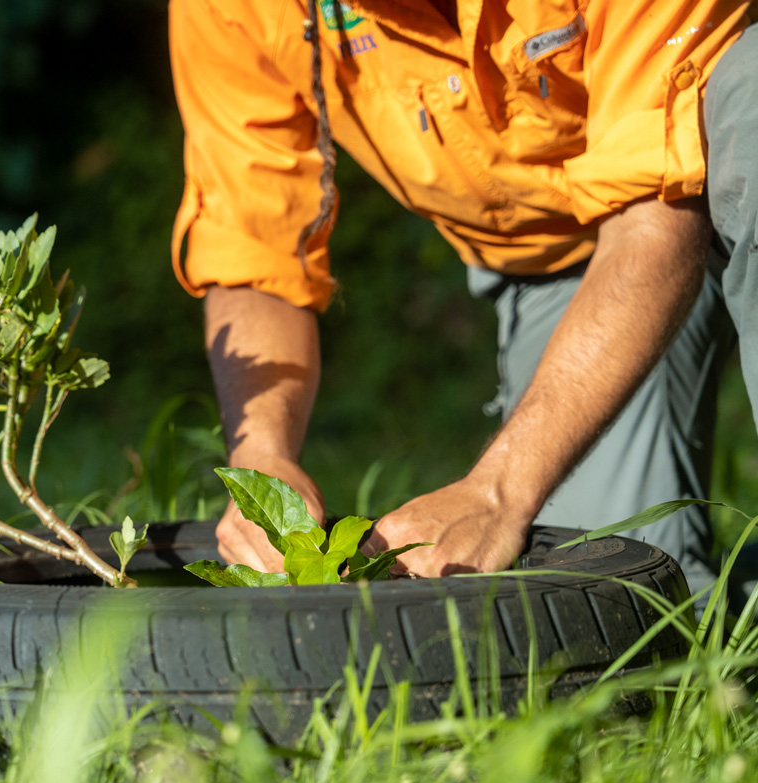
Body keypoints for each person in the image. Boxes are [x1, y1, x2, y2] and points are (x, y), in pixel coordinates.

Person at [168, 0, 757, 597]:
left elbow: (655, 220)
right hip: (567, 260)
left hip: (704, 173)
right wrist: (263, 461)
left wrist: (501, 488)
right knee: (616, 593)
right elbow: (253, 244)